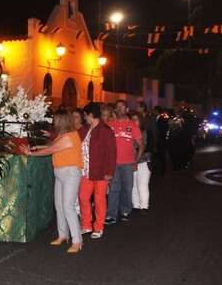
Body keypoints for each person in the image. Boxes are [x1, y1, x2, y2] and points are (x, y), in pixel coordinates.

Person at [25, 111, 83, 253]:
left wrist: (31, 153)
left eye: (56, 120)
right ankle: (63, 235)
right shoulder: (63, 135)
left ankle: (77, 241)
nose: (54, 122)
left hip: (70, 173)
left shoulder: (70, 136)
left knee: (68, 206)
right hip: (60, 172)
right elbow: (52, 145)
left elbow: (51, 149)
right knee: (59, 205)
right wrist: (38, 147)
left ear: (62, 122)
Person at [77, 103, 116, 239]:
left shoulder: (106, 130)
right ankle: (86, 224)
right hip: (85, 171)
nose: (84, 118)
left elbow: (111, 153)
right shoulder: (84, 129)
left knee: (99, 200)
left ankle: (98, 227)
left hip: (100, 172)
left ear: (91, 115)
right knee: (83, 197)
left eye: (85, 115)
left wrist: (109, 172)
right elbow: (71, 139)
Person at [105, 100, 144, 225]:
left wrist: (136, 161)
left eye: (122, 107)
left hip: (128, 163)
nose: (119, 109)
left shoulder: (132, 125)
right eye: (117, 107)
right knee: (113, 189)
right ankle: (111, 214)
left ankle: (125, 211)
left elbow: (141, 145)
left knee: (127, 188)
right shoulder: (110, 124)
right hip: (113, 163)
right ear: (115, 110)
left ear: (127, 110)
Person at [129, 111, 152, 215]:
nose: (134, 122)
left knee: (142, 184)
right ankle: (136, 205)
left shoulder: (143, 132)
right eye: (132, 119)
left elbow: (143, 146)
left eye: (136, 119)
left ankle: (144, 206)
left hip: (143, 161)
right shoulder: (129, 132)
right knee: (133, 185)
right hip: (131, 161)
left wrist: (135, 160)